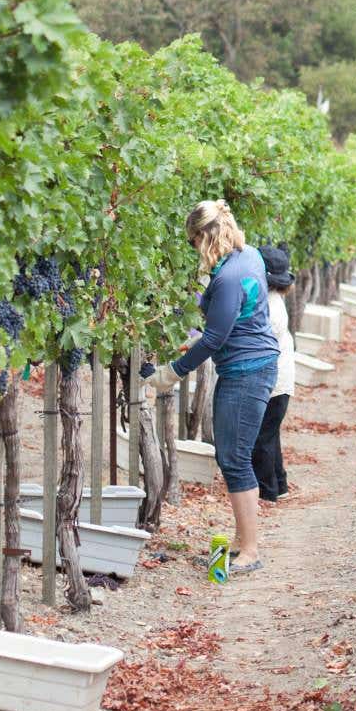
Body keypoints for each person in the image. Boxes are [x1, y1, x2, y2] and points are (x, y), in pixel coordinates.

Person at [148, 201, 280, 576]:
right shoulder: (248, 255)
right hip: (251, 366)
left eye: (193, 243)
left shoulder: (229, 277)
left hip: (246, 372)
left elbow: (214, 339)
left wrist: (171, 373)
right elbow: (231, 320)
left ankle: (250, 551)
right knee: (232, 456)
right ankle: (240, 542)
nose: (194, 251)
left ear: (205, 237)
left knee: (235, 459)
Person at [251, 244, 296, 503]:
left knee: (262, 438)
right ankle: (279, 485)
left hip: (274, 382)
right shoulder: (275, 299)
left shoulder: (269, 306)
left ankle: (267, 492)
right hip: (281, 381)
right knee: (271, 434)